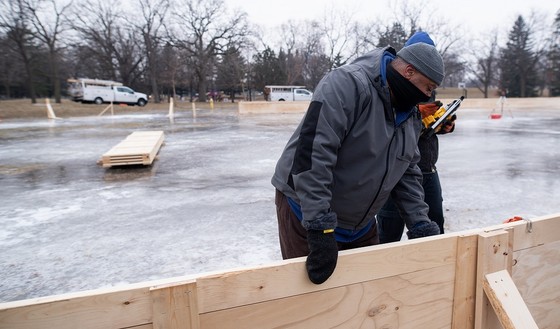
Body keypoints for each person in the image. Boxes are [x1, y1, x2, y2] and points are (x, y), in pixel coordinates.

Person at [271, 41, 444, 285]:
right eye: (428, 87)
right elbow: (313, 154)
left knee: (365, 295)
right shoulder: (346, 84)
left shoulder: (410, 114)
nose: (428, 95)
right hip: (305, 209)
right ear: (409, 72)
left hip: (360, 222)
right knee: (312, 299)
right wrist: (319, 226)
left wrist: (420, 224)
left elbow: (407, 172)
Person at [377, 32, 456, 243]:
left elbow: (422, 131)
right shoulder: (393, 87)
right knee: (388, 232)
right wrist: (418, 117)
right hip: (395, 171)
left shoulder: (428, 85)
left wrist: (440, 125)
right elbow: (388, 129)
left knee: (433, 227)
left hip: (427, 168)